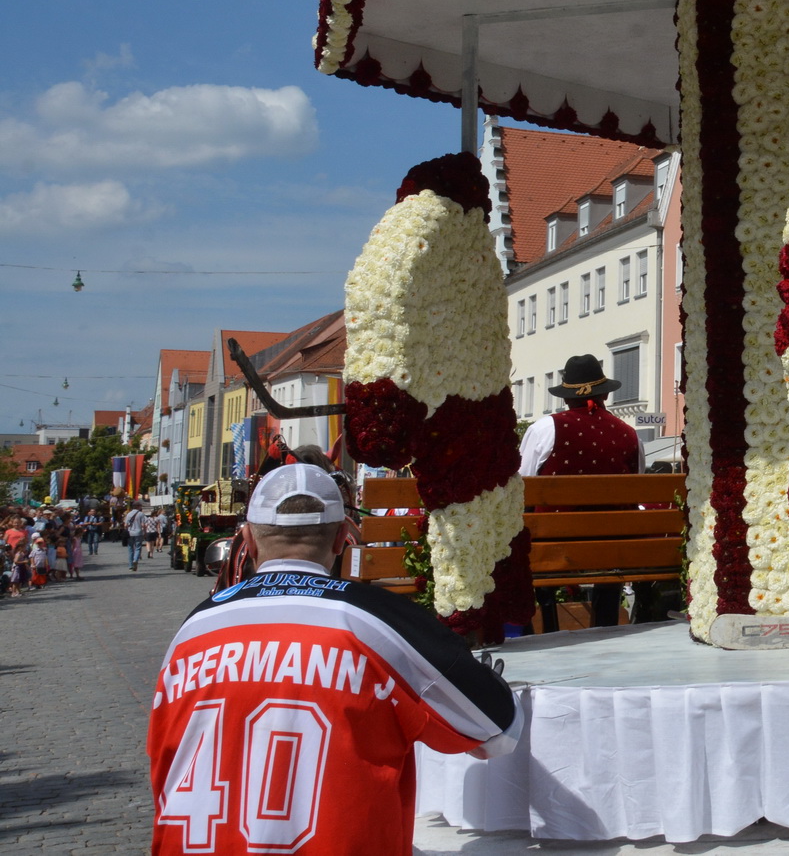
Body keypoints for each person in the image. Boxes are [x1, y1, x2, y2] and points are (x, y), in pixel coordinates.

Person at [147, 462, 519, 855]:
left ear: (248, 541)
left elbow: (162, 759)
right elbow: (497, 727)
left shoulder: (194, 629)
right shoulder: (374, 619)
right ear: (343, 537)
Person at [519, 354, 642, 627]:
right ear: (605, 396)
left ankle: (548, 620)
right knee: (610, 542)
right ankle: (606, 622)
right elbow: (637, 488)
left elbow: (520, 487)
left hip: (554, 545)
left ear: (565, 397)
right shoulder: (630, 433)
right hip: (611, 548)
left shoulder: (544, 428)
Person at [124, 499, 147, 572]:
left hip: (130, 533)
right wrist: (145, 533)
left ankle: (130, 566)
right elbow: (143, 525)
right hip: (138, 532)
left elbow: (126, 525)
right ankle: (135, 560)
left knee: (130, 548)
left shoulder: (128, 514)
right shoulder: (141, 514)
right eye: (140, 506)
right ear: (138, 506)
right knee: (138, 547)